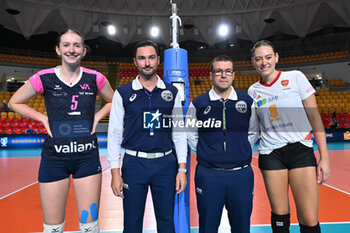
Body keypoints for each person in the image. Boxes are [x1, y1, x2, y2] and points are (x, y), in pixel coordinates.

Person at [8, 28, 114, 233]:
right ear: (58, 50)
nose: (71, 50)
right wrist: (42, 118)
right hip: (55, 158)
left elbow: (114, 100)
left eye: (77, 45)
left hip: (87, 158)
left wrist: (97, 117)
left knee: (90, 226)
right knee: (53, 227)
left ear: (83, 51)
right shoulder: (44, 77)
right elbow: (14, 102)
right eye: (66, 45)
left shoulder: (95, 78)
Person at [248, 40, 331, 233]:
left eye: (268, 57)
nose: (264, 62)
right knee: (279, 216)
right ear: (253, 62)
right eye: (259, 59)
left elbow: (314, 117)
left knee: (309, 220)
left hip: (300, 150)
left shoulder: (296, 77)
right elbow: (253, 129)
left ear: (276, 57)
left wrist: (324, 157)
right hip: (271, 154)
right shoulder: (253, 91)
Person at [107, 40, 187, 233]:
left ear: (158, 60)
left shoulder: (172, 91)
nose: (147, 63)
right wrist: (115, 172)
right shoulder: (123, 93)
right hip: (134, 164)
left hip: (165, 164)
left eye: (151, 57)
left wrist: (182, 168)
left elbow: (179, 131)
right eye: (142, 58)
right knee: (132, 224)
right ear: (135, 61)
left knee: (166, 223)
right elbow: (115, 133)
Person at [186, 55, 258, 233]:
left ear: (233, 75)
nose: (223, 75)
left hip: (241, 175)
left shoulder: (248, 103)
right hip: (209, 175)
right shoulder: (199, 103)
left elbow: (253, 132)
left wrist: (237, 149)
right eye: (218, 71)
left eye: (227, 71)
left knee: (242, 228)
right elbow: (190, 134)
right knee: (208, 227)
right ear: (211, 75)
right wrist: (209, 151)